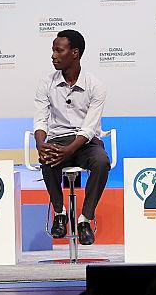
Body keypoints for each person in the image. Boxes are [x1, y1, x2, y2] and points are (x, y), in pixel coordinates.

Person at [33, 29, 110, 245]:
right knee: (47, 158)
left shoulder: (96, 86)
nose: (53, 55)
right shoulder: (45, 83)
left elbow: (88, 128)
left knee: (102, 161)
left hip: (85, 143)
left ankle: (85, 218)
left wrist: (70, 150)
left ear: (74, 53)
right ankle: (59, 213)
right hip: (58, 140)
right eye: (53, 50)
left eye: (59, 50)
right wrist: (41, 145)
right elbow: (41, 119)